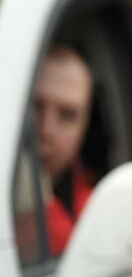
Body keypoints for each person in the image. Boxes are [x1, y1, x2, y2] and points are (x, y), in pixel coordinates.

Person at [32, 43, 96, 256]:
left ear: (84, 127)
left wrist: (39, 205)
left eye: (67, 115)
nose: (46, 129)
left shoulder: (95, 211)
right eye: (35, 106)